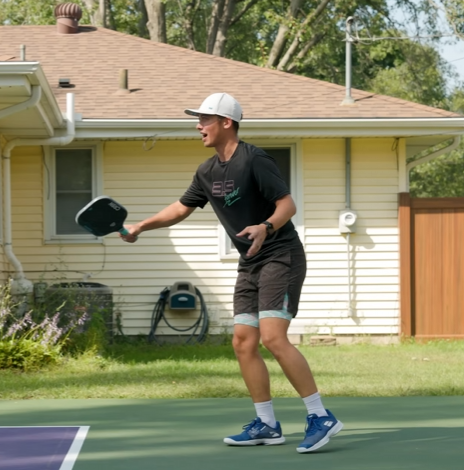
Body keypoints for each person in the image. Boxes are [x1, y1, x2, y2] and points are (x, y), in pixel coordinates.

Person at [120, 93, 342, 453]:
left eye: (205, 119)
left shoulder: (254, 159)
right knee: (242, 341)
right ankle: (267, 424)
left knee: (272, 337)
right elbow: (181, 208)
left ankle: (320, 416)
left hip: (279, 254)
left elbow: (287, 204)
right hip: (249, 261)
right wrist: (141, 226)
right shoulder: (207, 171)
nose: (198, 126)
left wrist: (265, 227)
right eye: (198, 119)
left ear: (227, 122)